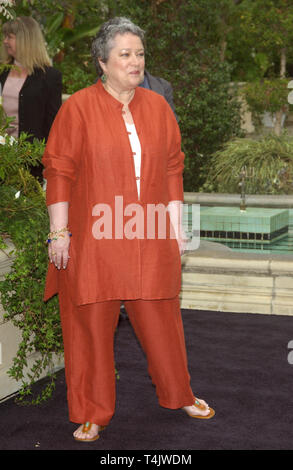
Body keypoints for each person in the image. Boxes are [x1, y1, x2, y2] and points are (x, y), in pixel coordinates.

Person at [42, 17, 215, 443]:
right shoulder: (77, 107)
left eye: (139, 53)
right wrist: (59, 233)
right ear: (102, 61)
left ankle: (180, 393)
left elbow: (173, 168)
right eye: (125, 54)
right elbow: (59, 171)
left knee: (163, 322)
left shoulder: (158, 107)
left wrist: (177, 230)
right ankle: (91, 411)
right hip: (95, 236)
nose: (135, 61)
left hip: (149, 233)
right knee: (90, 328)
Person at [0, 16, 62, 179]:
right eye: (5, 36)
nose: (5, 41)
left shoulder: (49, 77)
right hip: (3, 159)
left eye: (10, 37)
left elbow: (53, 124)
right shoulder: (2, 72)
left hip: (31, 162)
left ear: (25, 40)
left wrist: (50, 164)